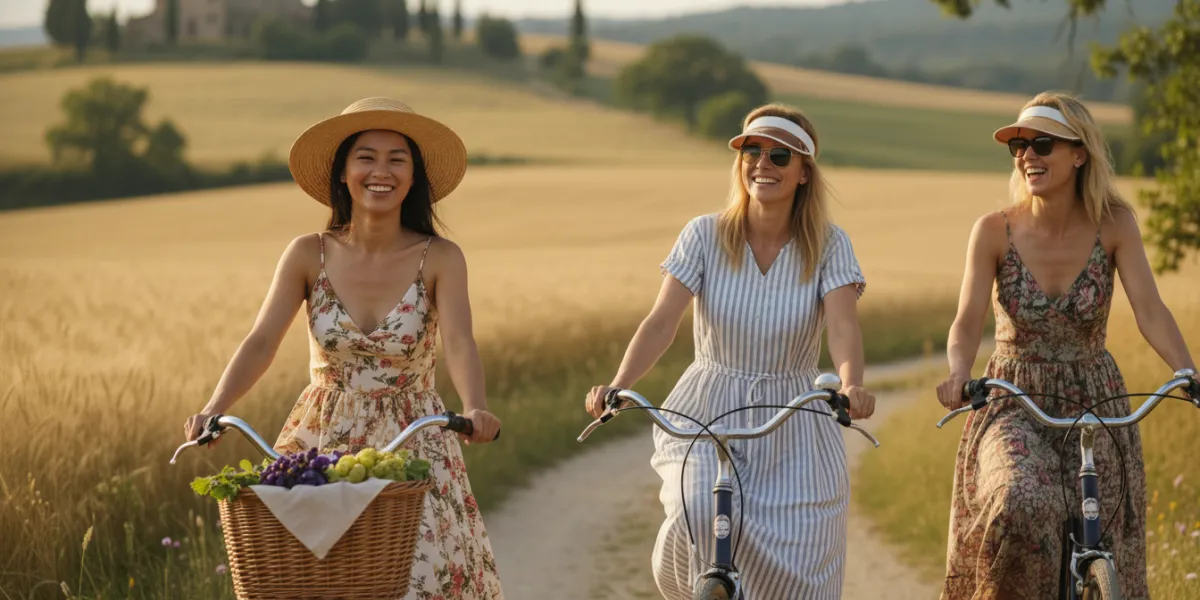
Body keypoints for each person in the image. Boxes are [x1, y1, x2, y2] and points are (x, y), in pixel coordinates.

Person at [183, 97, 505, 599]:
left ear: (414, 176)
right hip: (320, 438)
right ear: (343, 172)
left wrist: (475, 407)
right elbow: (261, 341)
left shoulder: (440, 257)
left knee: (421, 578)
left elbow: (460, 343)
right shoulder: (307, 253)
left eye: (397, 159)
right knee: (306, 582)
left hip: (412, 440)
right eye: (366, 157)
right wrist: (214, 408)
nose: (381, 171)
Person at [585, 103, 875, 600]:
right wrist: (620, 384)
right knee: (698, 511)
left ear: (804, 172)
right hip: (707, 407)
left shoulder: (829, 245)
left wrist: (851, 385)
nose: (763, 163)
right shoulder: (704, 234)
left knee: (802, 553)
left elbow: (843, 327)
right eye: (752, 151)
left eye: (780, 156)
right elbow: (661, 322)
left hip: (792, 417)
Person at [935, 91, 1199, 599]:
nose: (1027, 156)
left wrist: (1189, 374)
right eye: (1019, 146)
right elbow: (966, 322)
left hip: (1095, 398)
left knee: (1101, 525)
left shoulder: (1115, 225)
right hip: (1013, 399)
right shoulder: (994, 230)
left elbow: (1150, 310)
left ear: (1079, 153)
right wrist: (957, 373)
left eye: (1042, 145)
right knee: (1019, 500)